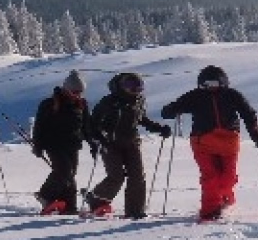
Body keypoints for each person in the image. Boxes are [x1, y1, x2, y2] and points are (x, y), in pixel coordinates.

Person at [159, 64, 258, 222]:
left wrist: (256, 135)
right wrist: (170, 110)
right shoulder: (195, 96)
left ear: (223, 82)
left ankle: (225, 197)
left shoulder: (232, 95)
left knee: (228, 177)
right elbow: (172, 108)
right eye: (206, 84)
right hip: (202, 142)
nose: (210, 87)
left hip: (228, 141)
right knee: (211, 177)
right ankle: (210, 211)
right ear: (200, 84)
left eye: (215, 84)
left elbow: (248, 114)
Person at [83, 71, 171, 219]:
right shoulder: (109, 101)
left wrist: (159, 129)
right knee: (116, 176)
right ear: (121, 86)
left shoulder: (139, 101)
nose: (134, 90)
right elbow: (92, 124)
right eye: (130, 86)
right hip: (110, 144)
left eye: (138, 86)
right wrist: (97, 140)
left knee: (137, 176)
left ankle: (135, 211)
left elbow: (141, 120)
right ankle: (96, 198)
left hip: (131, 142)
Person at [31, 70, 92, 215]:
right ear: (66, 88)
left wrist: (93, 143)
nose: (77, 95)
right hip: (53, 144)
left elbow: (87, 126)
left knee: (71, 174)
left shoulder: (81, 104)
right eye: (74, 91)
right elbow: (39, 125)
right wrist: (37, 145)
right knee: (64, 171)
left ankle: (69, 205)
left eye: (80, 92)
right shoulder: (50, 103)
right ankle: (45, 195)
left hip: (73, 144)